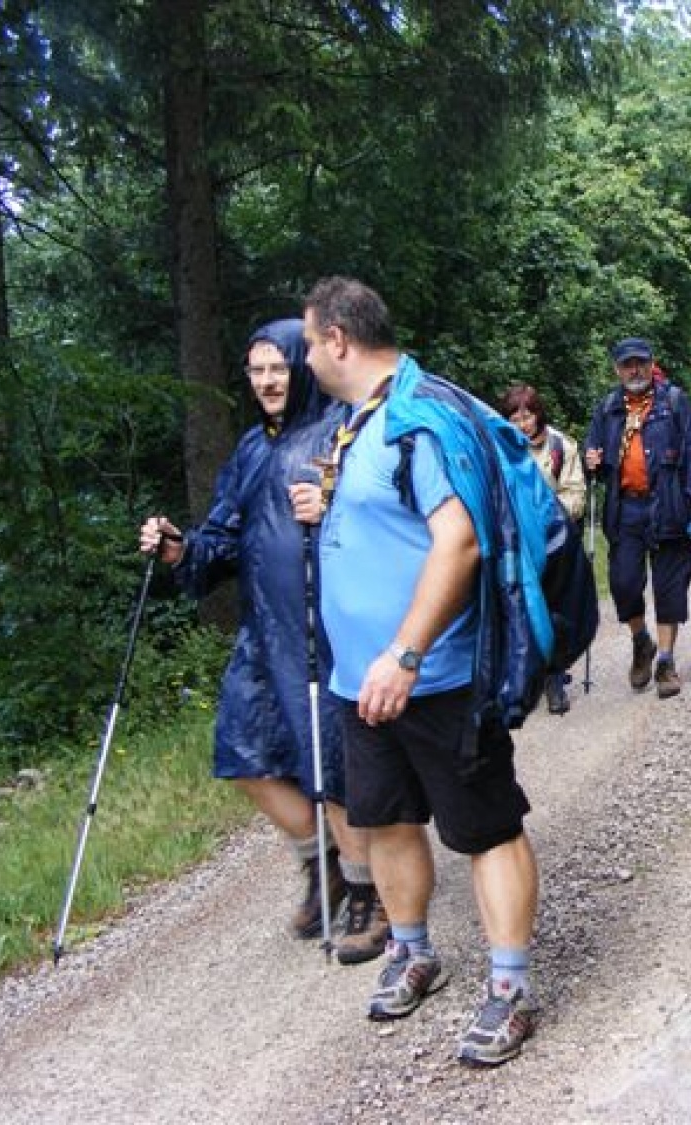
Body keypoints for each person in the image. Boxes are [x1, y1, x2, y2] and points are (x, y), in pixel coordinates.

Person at [290, 277, 541, 1068]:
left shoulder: (415, 417)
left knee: (485, 827)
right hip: (359, 683)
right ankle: (412, 950)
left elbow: (459, 541)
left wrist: (405, 653)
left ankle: (509, 990)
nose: (302, 358)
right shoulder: (357, 423)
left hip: (435, 677)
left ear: (337, 339)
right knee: (387, 819)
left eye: (306, 342)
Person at [138, 318, 386, 965]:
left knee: (331, 769)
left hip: (325, 629)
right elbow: (221, 539)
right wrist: (179, 548)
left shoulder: (342, 428)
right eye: (257, 370)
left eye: (278, 367)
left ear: (302, 367)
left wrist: (329, 505)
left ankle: (370, 895)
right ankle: (325, 864)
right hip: (264, 633)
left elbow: (384, 517)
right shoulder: (251, 449)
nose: (267, 381)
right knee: (243, 751)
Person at [582, 337, 691, 699]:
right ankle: (641, 641)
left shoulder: (674, 402)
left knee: (670, 586)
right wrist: (592, 460)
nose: (634, 370)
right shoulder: (607, 408)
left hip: (668, 504)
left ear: (652, 364)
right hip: (626, 509)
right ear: (617, 369)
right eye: (627, 364)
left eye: (640, 363)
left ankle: (666, 660)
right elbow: (595, 455)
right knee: (623, 583)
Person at [498, 383, 586, 716]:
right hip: (514, 540)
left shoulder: (561, 446)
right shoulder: (501, 448)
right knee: (518, 606)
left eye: (527, 416)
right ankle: (523, 673)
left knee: (553, 606)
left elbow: (575, 493)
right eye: (515, 417)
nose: (522, 424)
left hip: (554, 538)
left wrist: (546, 518)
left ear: (538, 415)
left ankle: (554, 676)